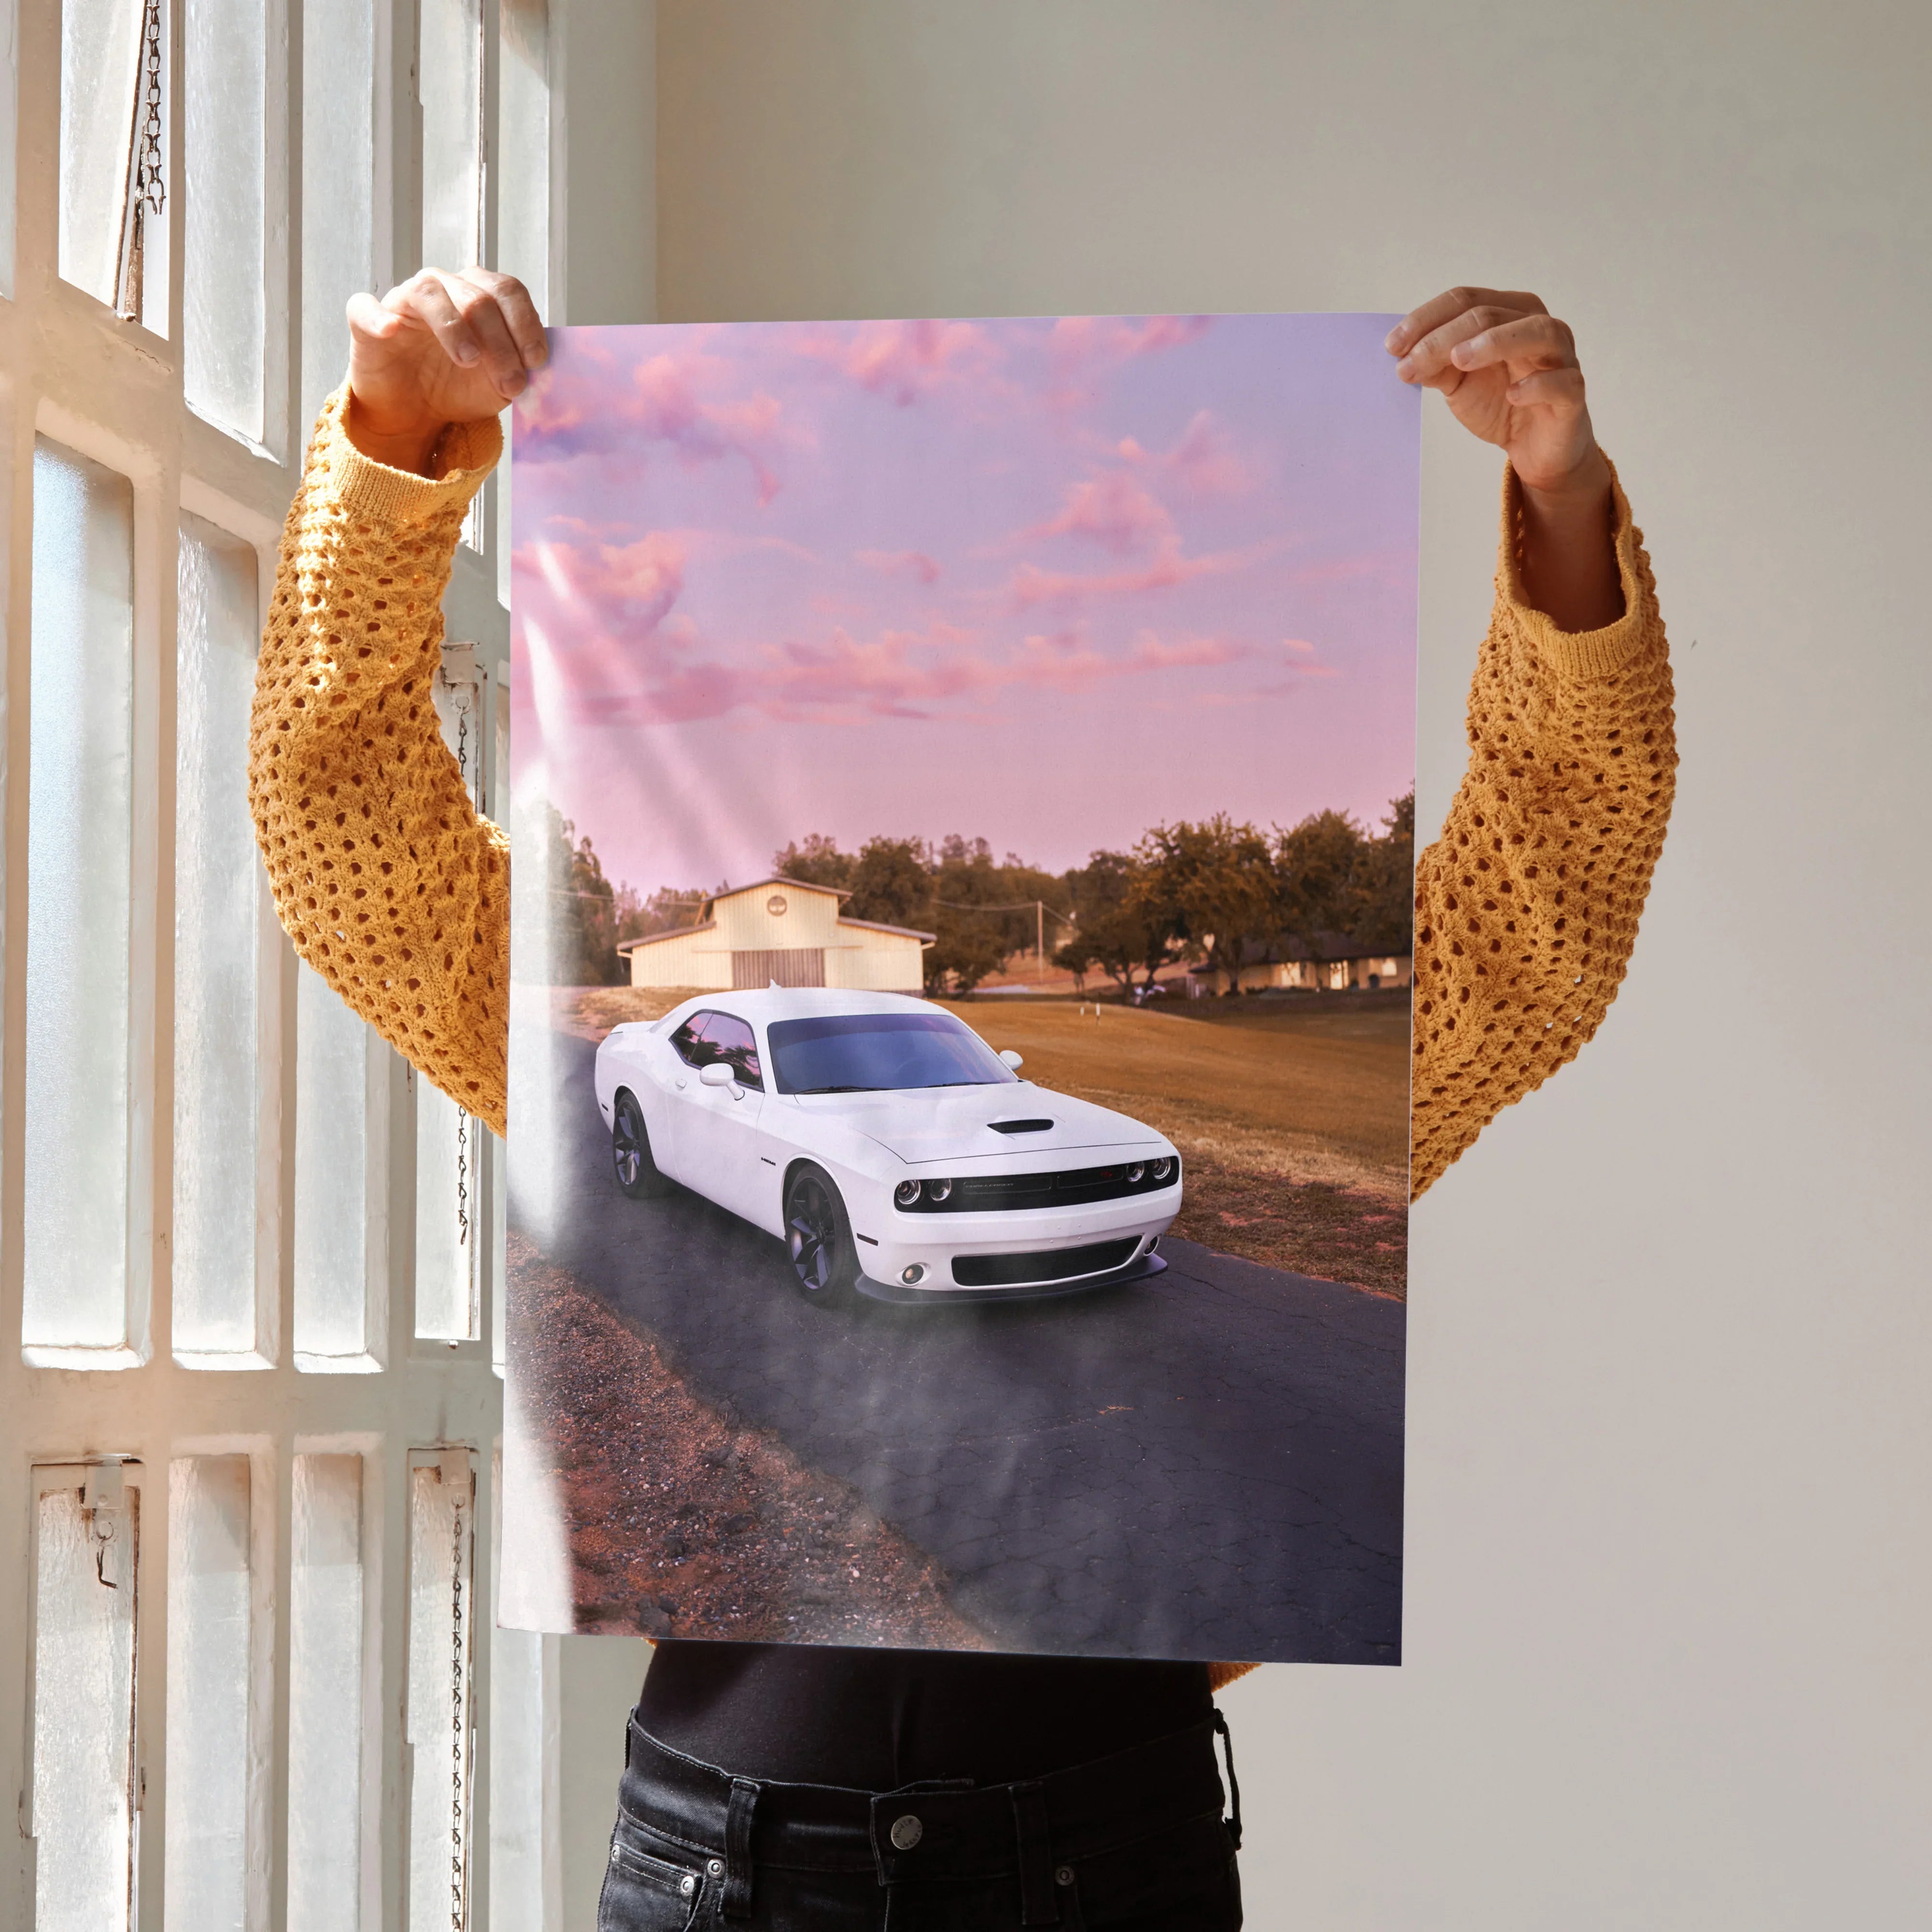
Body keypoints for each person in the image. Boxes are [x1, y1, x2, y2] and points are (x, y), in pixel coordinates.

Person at [250, 270, 1674, 1929]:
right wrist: (393, 443)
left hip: (1109, 1852)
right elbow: (345, 836)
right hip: (731, 1868)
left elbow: (1541, 920)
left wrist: (1561, 500)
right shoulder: (626, 1056)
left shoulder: (1036, 1088)